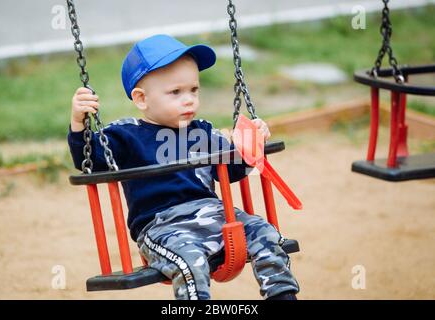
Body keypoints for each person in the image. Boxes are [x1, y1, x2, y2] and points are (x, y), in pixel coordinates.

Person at [68, 34, 299, 300]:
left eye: (194, 90)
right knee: (189, 261)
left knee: (265, 232)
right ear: (142, 99)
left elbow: (232, 171)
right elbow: (89, 161)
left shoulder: (202, 131)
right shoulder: (125, 135)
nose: (189, 99)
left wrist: (252, 142)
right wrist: (78, 121)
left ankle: (282, 296)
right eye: (176, 92)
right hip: (163, 227)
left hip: (216, 217)